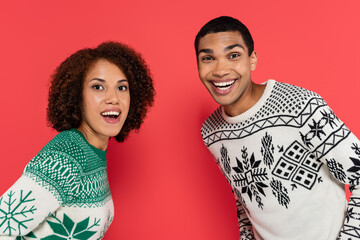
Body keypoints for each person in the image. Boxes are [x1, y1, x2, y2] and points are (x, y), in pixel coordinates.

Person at [195, 16, 360, 240]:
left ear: (252, 60)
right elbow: (244, 201)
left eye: (233, 56)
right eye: (208, 58)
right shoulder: (212, 132)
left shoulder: (301, 106)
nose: (220, 70)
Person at [0, 41, 155, 239]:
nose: (113, 98)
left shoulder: (93, 152)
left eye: (122, 88)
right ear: (77, 97)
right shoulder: (68, 153)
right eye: (98, 87)